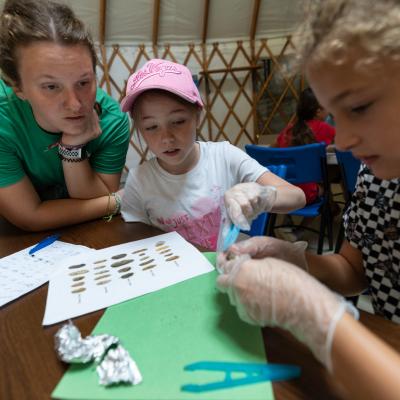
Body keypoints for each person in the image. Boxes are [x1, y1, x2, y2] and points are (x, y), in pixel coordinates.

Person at [217, 0, 400, 399]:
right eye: (336, 115)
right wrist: (297, 261)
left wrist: (317, 317)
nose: (342, 140)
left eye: (359, 107)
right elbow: (355, 270)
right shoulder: (375, 178)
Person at [120, 59, 305, 250]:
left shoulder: (224, 157)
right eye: (151, 127)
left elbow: (297, 196)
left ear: (197, 116)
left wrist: (264, 196)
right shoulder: (139, 181)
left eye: (178, 121)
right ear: (140, 130)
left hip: (222, 269)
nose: (166, 138)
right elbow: (136, 241)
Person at [0, 0, 130, 231]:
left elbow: (96, 196)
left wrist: (73, 148)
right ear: (17, 87)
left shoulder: (111, 120)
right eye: (51, 86)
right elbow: (29, 217)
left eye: (83, 82)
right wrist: (118, 201)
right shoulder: (4, 120)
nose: (75, 104)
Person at [275, 87, 335, 205]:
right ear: (318, 111)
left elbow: (274, 147)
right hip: (308, 193)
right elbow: (342, 146)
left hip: (284, 191)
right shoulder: (325, 128)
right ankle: (315, 219)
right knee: (330, 179)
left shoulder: (288, 129)